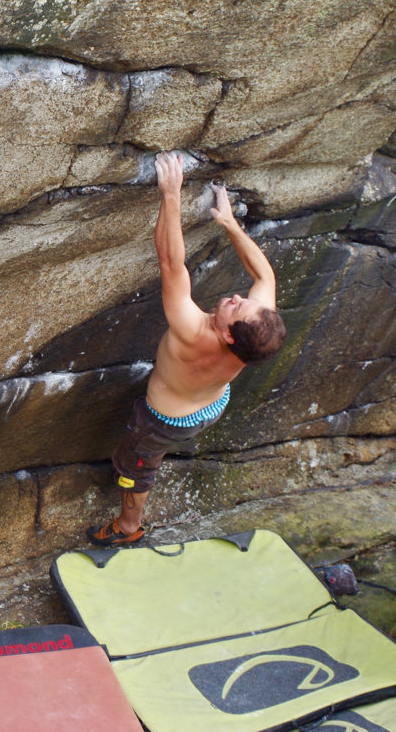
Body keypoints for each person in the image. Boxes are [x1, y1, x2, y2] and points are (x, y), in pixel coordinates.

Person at [87, 151, 287, 547]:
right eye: (242, 300)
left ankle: (129, 526)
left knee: (135, 467)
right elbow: (263, 274)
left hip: (163, 422)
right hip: (212, 403)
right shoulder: (259, 330)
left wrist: (171, 194)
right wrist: (230, 223)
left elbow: (170, 263)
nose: (233, 297)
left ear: (229, 336)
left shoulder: (193, 329)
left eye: (235, 307)